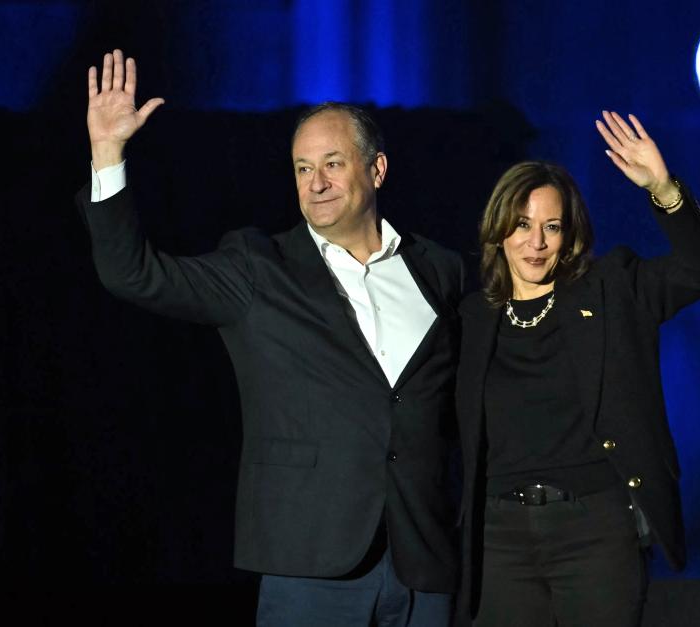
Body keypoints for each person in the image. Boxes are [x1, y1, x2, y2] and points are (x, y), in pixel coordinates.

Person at [79, 50, 463, 627]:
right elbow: (134, 274)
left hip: (423, 565)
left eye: (333, 164)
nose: (317, 183)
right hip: (311, 561)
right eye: (303, 168)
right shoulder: (258, 267)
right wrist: (108, 153)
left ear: (376, 171)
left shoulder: (439, 269)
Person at [454, 112, 700, 627]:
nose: (535, 243)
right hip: (499, 539)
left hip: (595, 532)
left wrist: (664, 189)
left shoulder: (612, 290)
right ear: (498, 229)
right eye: (521, 224)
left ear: (569, 232)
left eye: (551, 227)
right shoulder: (470, 318)